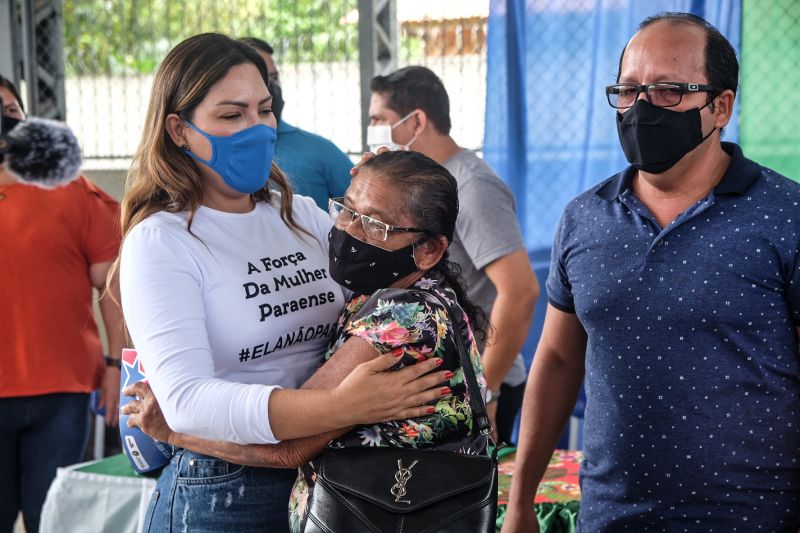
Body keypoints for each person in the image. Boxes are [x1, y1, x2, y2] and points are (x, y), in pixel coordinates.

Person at [116, 34, 449, 533]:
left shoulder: (300, 215)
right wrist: (336, 407)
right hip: (225, 488)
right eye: (232, 116)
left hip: (324, 477)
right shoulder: (162, 240)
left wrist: (386, 191)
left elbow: (394, 277)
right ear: (178, 131)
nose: (256, 128)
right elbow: (185, 401)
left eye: (263, 109)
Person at [502, 12, 800, 532]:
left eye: (668, 90)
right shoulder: (584, 217)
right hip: (612, 517)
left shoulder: (784, 214)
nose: (642, 107)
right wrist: (522, 499)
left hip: (757, 518)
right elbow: (555, 359)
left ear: (720, 106)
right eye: (629, 89)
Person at [123, 150, 490, 532]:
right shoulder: (419, 292)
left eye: (376, 226)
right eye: (347, 210)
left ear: (429, 250)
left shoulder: (397, 323)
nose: (349, 231)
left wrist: (171, 432)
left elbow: (289, 449)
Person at [367, 66, 539, 444]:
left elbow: (520, 291)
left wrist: (484, 392)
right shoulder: (426, 185)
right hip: (443, 380)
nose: (373, 129)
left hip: (479, 382)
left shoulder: (472, 186)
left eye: (380, 120)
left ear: (417, 121)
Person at [0, 75, 124, 533]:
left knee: (52, 520)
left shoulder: (76, 193)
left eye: (11, 111)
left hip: (64, 394)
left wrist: (117, 365)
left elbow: (112, 289)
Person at [239, 37, 353, 210]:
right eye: (261, 77)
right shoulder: (220, 152)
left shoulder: (319, 150)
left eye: (274, 77)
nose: (271, 85)